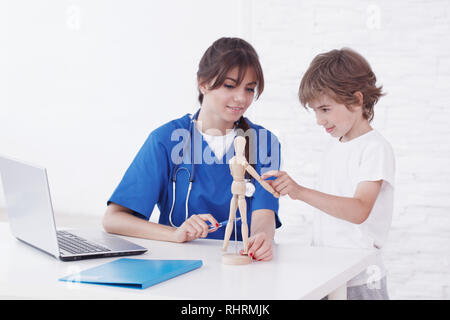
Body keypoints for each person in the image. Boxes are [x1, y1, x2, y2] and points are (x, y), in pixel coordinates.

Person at [103, 37, 281, 262]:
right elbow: (114, 219)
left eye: (249, 89)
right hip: (179, 265)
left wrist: (261, 237)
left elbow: (264, 213)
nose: (241, 98)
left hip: (242, 265)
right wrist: (175, 234)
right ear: (203, 83)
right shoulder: (165, 140)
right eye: (229, 85)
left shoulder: (264, 142)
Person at [262, 48, 395, 298]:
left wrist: (300, 192)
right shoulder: (336, 146)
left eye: (324, 109)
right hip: (330, 274)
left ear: (356, 100)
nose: (319, 121)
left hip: (361, 280)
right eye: (314, 111)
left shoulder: (375, 148)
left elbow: (358, 211)